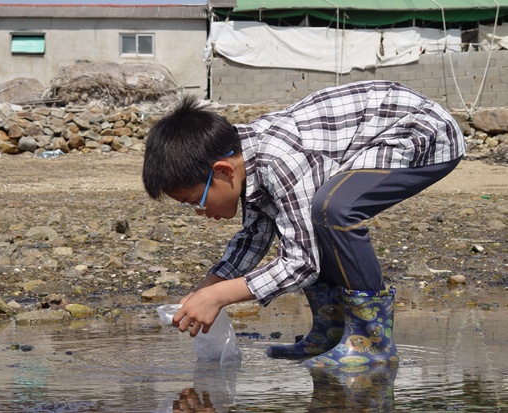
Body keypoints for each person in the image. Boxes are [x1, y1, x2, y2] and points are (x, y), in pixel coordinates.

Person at [142, 80, 466, 368]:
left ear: (223, 171)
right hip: (380, 136)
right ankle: (332, 332)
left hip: (425, 134)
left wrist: (221, 296)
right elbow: (255, 233)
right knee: (302, 220)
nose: (199, 212)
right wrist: (209, 285)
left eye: (194, 201)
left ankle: (372, 342)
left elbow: (301, 264)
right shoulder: (248, 158)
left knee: (332, 209)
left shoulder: (280, 160)